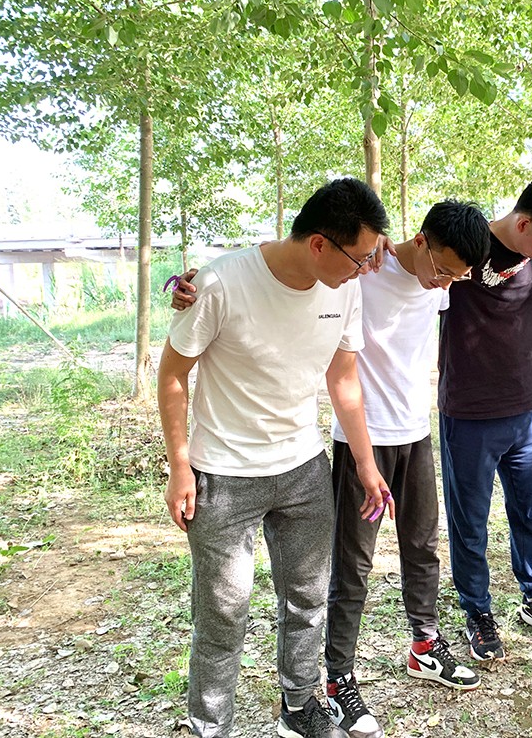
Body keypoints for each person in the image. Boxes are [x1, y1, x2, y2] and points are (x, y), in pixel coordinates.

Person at [157, 178, 392, 738]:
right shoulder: (220, 283)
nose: (365, 270)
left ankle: (299, 707)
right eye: (358, 258)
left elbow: (344, 378)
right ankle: (210, 724)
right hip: (224, 474)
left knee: (308, 599)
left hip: (304, 468)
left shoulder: (345, 287)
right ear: (319, 244)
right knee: (223, 613)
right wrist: (180, 466)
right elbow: (172, 374)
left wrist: (365, 464)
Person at [322, 201, 489, 738]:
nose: (445, 284)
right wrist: (201, 283)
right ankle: (338, 680)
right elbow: (296, 260)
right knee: (353, 565)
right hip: (362, 441)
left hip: (416, 435)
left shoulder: (439, 284)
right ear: (419, 241)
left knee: (422, 546)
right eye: (442, 270)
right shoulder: (363, 273)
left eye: (456, 277)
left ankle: (424, 644)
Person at [438, 176, 532, 660]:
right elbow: (405, 257)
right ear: (523, 225)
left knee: (531, 511)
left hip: (523, 411)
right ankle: (477, 610)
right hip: (468, 412)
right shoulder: (465, 246)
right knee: (470, 522)